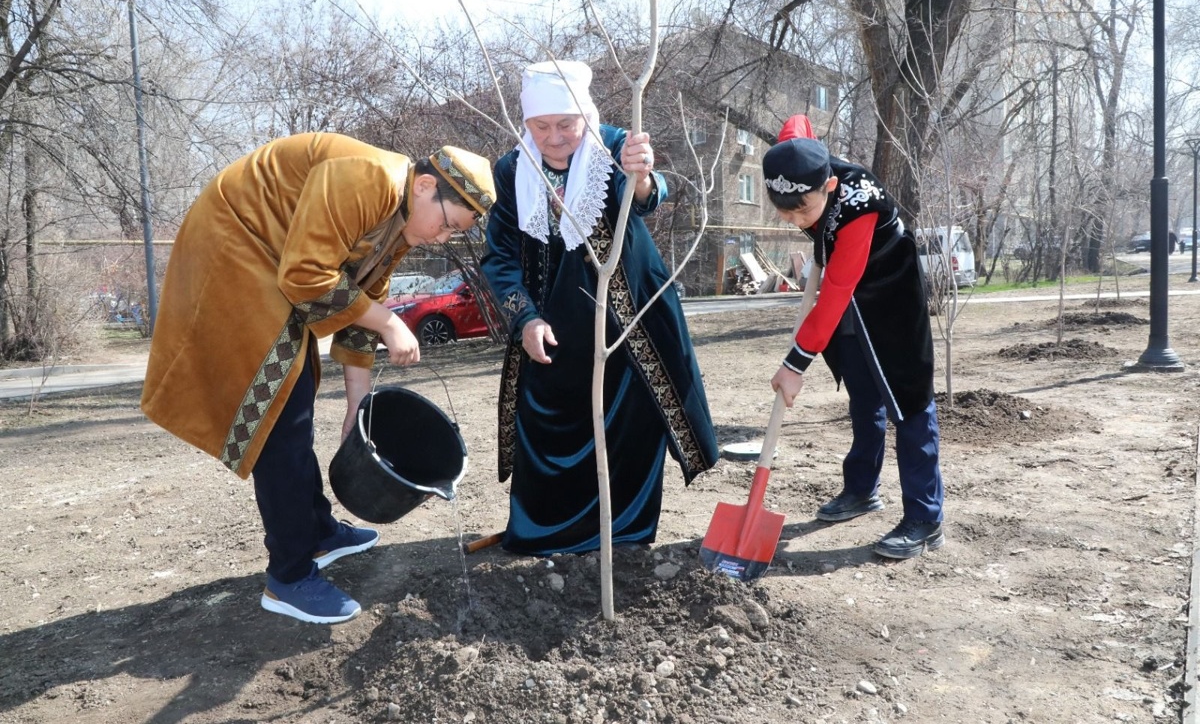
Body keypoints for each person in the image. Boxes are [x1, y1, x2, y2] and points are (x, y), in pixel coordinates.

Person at [141, 133, 495, 622]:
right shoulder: (366, 178)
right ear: (425, 186)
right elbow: (307, 279)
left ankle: (317, 531)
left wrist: (358, 407)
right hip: (237, 249)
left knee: (296, 395)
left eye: (453, 235)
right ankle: (288, 576)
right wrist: (392, 323)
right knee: (278, 416)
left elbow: (360, 303)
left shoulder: (397, 223)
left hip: (275, 265)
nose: (442, 238)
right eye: (448, 224)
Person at [480, 60, 718, 555]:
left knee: (630, 424)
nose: (554, 137)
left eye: (565, 124)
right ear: (525, 123)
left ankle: (623, 533)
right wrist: (524, 317)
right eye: (540, 126)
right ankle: (543, 533)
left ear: (584, 116)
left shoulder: (612, 146)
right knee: (542, 420)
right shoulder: (511, 169)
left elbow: (651, 197)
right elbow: (499, 257)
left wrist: (643, 173)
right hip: (551, 326)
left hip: (628, 321)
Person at [763, 115, 945, 560]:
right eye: (785, 212)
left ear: (827, 188)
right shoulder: (798, 167)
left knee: (908, 401)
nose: (794, 220)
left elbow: (837, 290)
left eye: (801, 211)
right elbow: (796, 127)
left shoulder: (859, 209)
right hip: (850, 303)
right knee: (864, 396)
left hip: (888, 292)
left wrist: (794, 365)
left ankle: (925, 518)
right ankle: (861, 490)